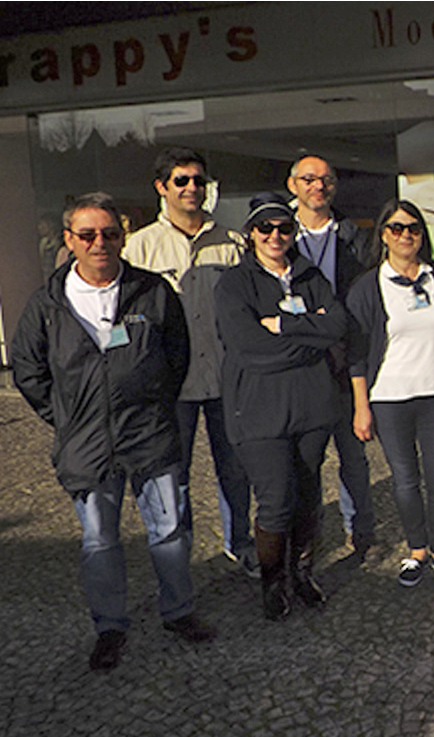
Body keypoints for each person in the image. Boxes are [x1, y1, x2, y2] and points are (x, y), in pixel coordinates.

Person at [11, 192, 214, 671]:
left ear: (122, 237)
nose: (99, 243)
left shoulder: (152, 291)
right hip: (86, 444)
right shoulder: (47, 304)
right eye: (87, 235)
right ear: (69, 240)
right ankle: (110, 627)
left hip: (148, 435)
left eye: (109, 233)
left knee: (169, 531)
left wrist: (152, 403)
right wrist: (67, 416)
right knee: (99, 540)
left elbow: (177, 355)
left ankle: (178, 611)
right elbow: (28, 369)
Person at [215, 192, 349, 619]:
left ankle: (301, 572)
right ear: (251, 233)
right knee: (275, 499)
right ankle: (273, 583)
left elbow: (337, 324)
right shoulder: (234, 284)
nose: (275, 235)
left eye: (284, 228)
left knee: (308, 494)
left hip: (312, 406)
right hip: (259, 409)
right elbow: (248, 346)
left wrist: (284, 325)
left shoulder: (309, 275)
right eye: (265, 228)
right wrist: (310, 341)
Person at [123, 148, 256, 577]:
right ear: (162, 187)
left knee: (235, 471)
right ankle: (181, 560)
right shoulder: (140, 247)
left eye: (199, 180)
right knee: (174, 478)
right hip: (171, 386)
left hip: (226, 379)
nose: (192, 188)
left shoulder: (232, 243)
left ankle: (240, 544)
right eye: (181, 180)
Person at [347, 199, 434, 587]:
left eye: (413, 228)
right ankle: (417, 551)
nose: (405, 235)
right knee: (404, 480)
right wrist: (361, 406)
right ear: (383, 235)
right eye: (396, 228)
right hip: (389, 397)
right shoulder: (368, 287)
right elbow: (355, 354)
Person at [287, 155, 377, 552]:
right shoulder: (278, 232)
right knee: (307, 458)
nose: (318, 186)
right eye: (308, 179)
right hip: (299, 362)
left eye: (325, 179)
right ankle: (310, 534)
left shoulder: (353, 236)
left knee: (353, 453)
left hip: (344, 358)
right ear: (293, 185)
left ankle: (361, 529)